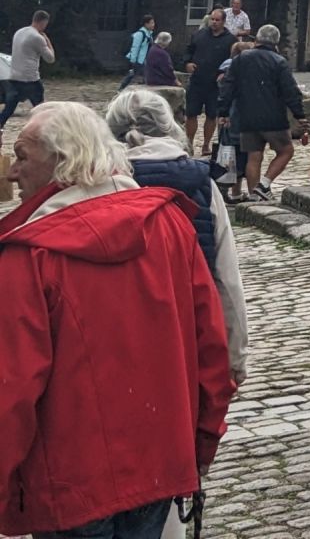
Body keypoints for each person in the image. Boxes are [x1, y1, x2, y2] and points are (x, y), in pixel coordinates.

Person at [0, 101, 234, 539]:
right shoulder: (169, 224)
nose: (13, 172)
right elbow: (212, 348)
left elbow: (10, 388)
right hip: (159, 463)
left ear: (62, 164)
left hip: (69, 481)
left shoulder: (30, 255)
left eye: (23, 156)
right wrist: (203, 440)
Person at [106, 89, 249, 389]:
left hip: (120, 337)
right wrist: (234, 355)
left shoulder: (100, 185)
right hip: (191, 328)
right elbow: (226, 275)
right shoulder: (203, 184)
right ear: (169, 126)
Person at [218, 23, 308, 202]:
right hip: (273, 118)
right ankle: (263, 184)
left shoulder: (241, 59)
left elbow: (228, 86)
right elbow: (290, 91)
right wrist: (299, 115)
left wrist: (223, 111)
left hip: (247, 117)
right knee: (286, 151)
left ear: (257, 39)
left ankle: (254, 196)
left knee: (254, 155)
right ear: (276, 42)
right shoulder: (279, 62)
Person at [184, 8, 235, 153]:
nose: (214, 22)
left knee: (212, 115)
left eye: (217, 20)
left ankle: (206, 144)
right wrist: (187, 63)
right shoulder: (199, 35)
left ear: (223, 22)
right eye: (212, 19)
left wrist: (225, 74)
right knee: (191, 113)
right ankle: (189, 143)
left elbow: (234, 61)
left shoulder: (230, 40)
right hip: (197, 81)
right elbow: (189, 51)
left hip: (215, 84)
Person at [1, 9, 56, 131]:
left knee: (9, 108)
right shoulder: (37, 37)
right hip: (30, 79)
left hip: (14, 76)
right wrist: (47, 41)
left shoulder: (19, 32)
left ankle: (0, 124)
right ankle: (43, 130)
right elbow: (50, 58)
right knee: (40, 108)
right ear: (43, 22)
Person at [119, 14, 157, 90]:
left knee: (141, 75)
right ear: (146, 24)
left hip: (144, 60)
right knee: (134, 75)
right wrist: (133, 61)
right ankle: (121, 89)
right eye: (151, 23)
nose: (153, 25)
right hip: (138, 60)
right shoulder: (140, 34)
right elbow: (135, 48)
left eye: (153, 22)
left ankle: (124, 89)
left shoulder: (149, 34)